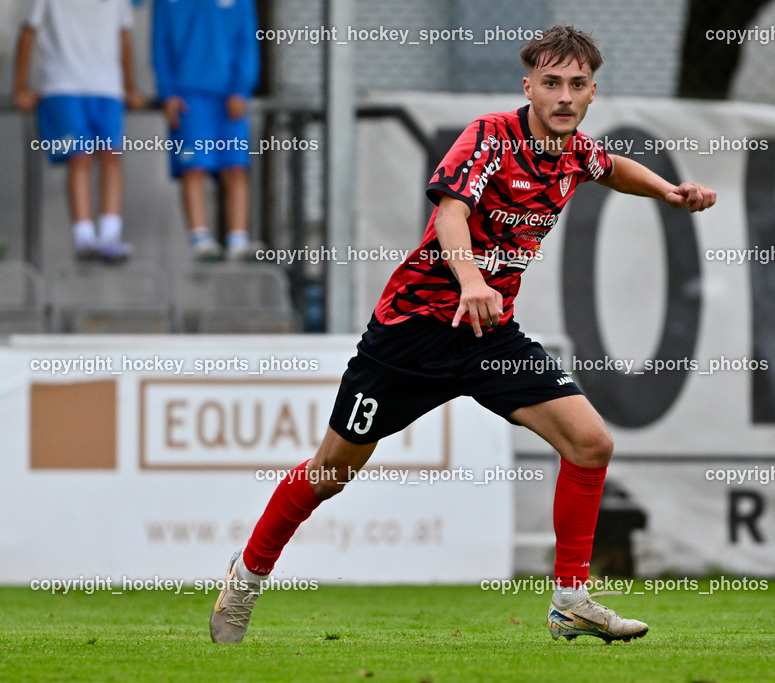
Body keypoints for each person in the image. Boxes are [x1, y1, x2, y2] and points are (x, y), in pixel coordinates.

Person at [209, 25, 716, 644]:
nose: (563, 96)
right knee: (331, 472)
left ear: (591, 93)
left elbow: (611, 168)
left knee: (590, 444)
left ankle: (570, 600)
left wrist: (667, 191)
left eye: (577, 85)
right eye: (551, 83)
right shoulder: (490, 137)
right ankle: (247, 576)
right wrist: (472, 279)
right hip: (411, 333)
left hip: (488, 337)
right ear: (528, 87)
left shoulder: (575, 152)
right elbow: (451, 211)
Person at [13, 0, 143, 262]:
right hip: (62, 85)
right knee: (79, 157)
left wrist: (129, 87)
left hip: (108, 87)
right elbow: (28, 33)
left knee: (111, 156)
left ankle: (110, 235)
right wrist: (20, 87)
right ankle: (84, 237)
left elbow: (124, 37)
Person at [151, 0, 261, 261]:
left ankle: (238, 240)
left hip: (228, 97)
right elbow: (160, 44)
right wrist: (168, 91)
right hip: (188, 96)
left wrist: (241, 88)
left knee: (235, 167)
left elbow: (247, 40)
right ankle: (200, 239)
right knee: (193, 168)